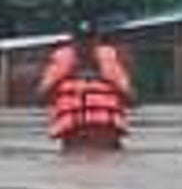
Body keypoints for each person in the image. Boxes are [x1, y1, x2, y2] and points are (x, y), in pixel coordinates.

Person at [41, 18, 134, 151]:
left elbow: (132, 100)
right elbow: (41, 98)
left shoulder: (111, 64)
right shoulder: (60, 65)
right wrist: (65, 75)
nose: (85, 44)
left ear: (97, 40)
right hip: (74, 145)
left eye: (89, 39)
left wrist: (108, 79)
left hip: (107, 145)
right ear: (73, 40)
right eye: (81, 40)